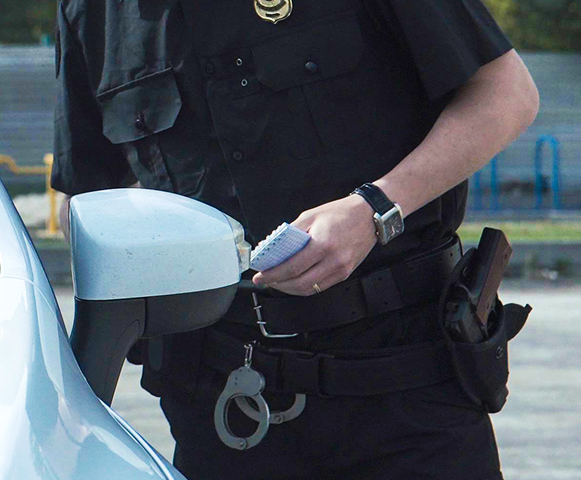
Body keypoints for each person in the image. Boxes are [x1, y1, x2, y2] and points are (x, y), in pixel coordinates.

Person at [51, 0, 538, 478]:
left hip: (407, 389)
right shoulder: (91, 11)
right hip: (224, 413)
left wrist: (373, 209)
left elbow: (505, 92)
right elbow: (90, 203)